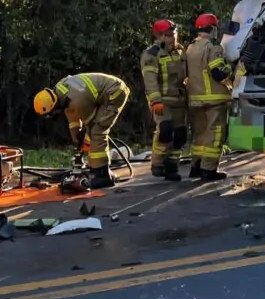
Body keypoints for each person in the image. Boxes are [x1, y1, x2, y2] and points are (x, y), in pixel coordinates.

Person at [33, 73, 131, 189]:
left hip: (114, 93)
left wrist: (86, 143)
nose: (53, 116)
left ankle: (103, 175)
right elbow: (72, 118)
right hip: (101, 94)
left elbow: (91, 124)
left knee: (97, 131)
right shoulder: (61, 92)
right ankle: (97, 168)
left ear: (54, 107)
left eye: (51, 114)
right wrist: (77, 141)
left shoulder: (78, 101)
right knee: (93, 134)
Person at [186, 13, 233, 181]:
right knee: (215, 134)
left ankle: (196, 167)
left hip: (195, 99)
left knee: (200, 134)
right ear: (213, 29)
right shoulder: (213, 47)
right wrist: (230, 67)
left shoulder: (190, 47)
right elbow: (218, 72)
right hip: (214, 100)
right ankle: (209, 170)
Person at [141, 18, 188, 182]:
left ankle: (172, 166)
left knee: (181, 134)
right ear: (159, 36)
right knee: (165, 130)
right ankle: (158, 164)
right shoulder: (151, 54)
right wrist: (155, 101)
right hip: (162, 101)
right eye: (168, 35)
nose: (173, 38)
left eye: (174, 34)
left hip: (179, 100)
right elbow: (150, 79)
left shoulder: (180, 52)